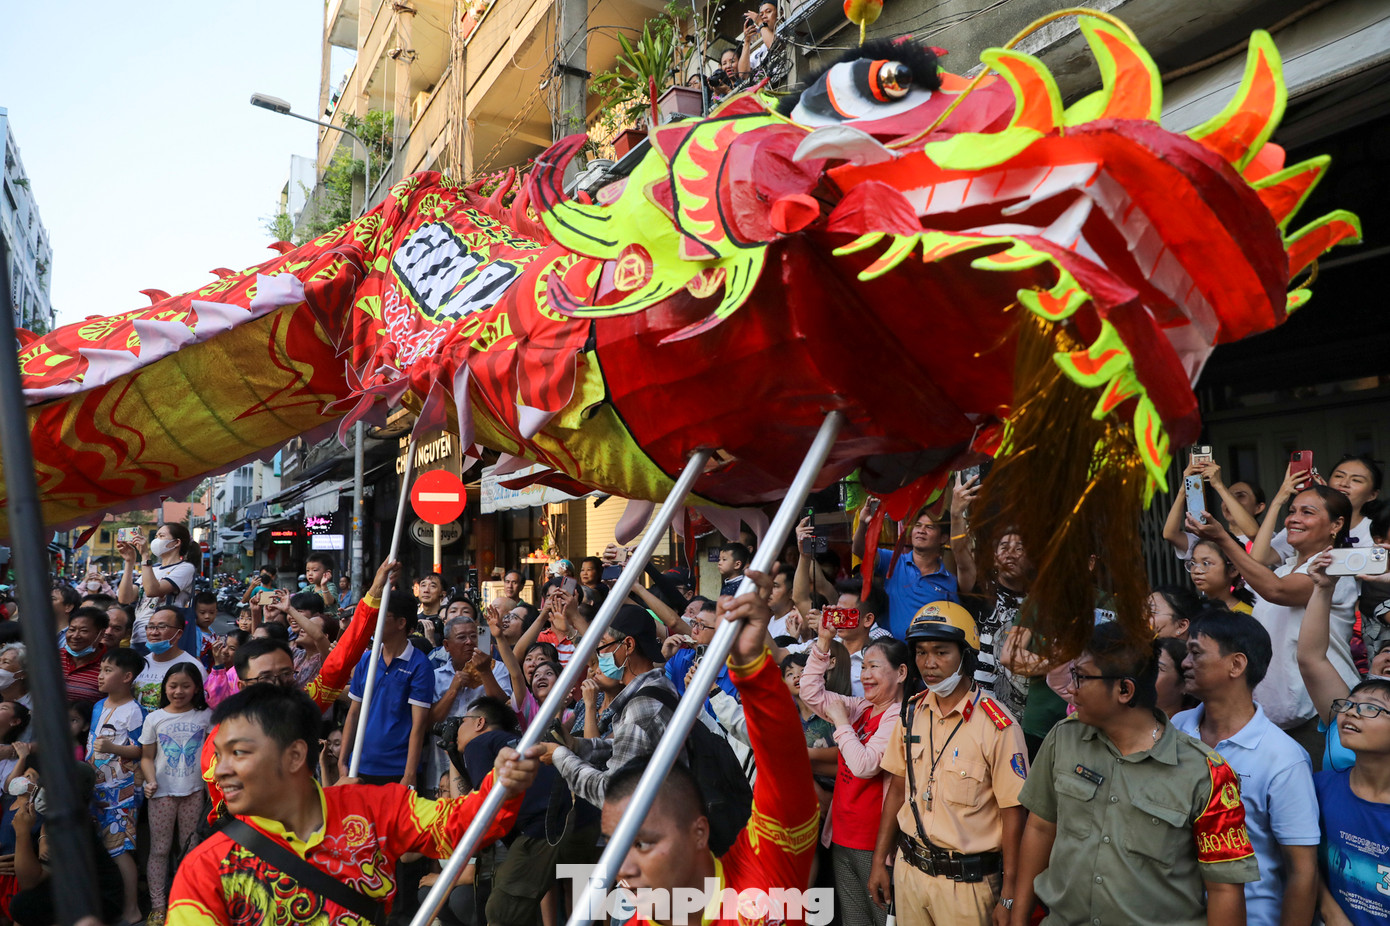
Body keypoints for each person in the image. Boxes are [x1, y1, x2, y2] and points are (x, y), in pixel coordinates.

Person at [168, 684, 542, 925]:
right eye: (219, 755)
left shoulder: (372, 808)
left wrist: (503, 784)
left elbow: (460, 827)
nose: (221, 770)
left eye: (238, 753)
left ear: (296, 755)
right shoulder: (206, 866)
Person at [596, 568, 820, 926]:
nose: (621, 870)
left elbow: (784, 762)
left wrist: (752, 668)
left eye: (643, 844)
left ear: (699, 832)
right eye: (614, 845)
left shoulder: (764, 874)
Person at [1010, 622, 1259, 926]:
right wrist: (1018, 914)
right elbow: (1040, 828)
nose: (1072, 688)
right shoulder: (1064, 738)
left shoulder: (1207, 774)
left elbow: (1224, 889)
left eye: (1081, 677)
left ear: (1124, 690)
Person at [870, 601, 1028, 926]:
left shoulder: (998, 726)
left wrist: (1009, 893)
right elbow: (899, 787)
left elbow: (1014, 814)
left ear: (966, 656)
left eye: (941, 652)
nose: (929, 663)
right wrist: (878, 861)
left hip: (967, 887)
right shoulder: (910, 713)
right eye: (922, 652)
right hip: (908, 871)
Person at [1171, 609, 1319, 926]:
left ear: (1236, 665)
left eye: (1195, 653)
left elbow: (1302, 871)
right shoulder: (1177, 728)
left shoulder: (1283, 758)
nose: (1185, 663)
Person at [1190, 484, 1358, 762]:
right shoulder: (1282, 569)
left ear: (1336, 524)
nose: (1293, 519)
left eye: (1307, 512)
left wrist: (1223, 538)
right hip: (1275, 708)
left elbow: (1277, 590)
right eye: (1292, 511)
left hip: (1318, 707)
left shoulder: (1333, 568)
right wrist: (1279, 497)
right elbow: (1260, 570)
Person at [800, 610, 908, 926]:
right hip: (842, 835)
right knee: (854, 920)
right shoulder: (863, 707)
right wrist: (823, 641)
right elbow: (810, 692)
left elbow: (864, 766)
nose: (865, 676)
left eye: (874, 667)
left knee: (880, 919)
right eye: (864, 667)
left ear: (900, 673)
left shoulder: (898, 717)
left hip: (874, 842)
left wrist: (842, 722)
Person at [546, 605, 675, 806]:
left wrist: (559, 756)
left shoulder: (642, 708)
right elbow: (624, 746)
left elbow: (612, 793)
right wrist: (577, 746)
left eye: (604, 644)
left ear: (628, 645)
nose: (600, 655)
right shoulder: (659, 686)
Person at [1297, 550, 1390, 772]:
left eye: (1372, 708)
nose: (1353, 712)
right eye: (1386, 649)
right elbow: (1310, 658)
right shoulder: (1346, 706)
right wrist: (1323, 588)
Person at [1311, 677, 1390, 926]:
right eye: (1348, 704)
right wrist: (1330, 911)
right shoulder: (1319, 787)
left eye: (1371, 707)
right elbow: (1302, 862)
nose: (1352, 713)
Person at [140, 663, 214, 926]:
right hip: (162, 794)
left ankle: (188, 901)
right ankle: (159, 906)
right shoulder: (154, 718)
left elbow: (212, 756)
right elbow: (146, 757)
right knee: (159, 849)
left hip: (195, 793)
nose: (178, 691)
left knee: (191, 849)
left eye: (185, 686)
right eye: (173, 686)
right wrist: (150, 781)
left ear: (196, 688)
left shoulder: (206, 716)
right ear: (165, 688)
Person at [340, 589, 434, 787]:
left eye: (383, 615)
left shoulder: (419, 665)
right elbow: (354, 713)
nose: (375, 621)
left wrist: (409, 775)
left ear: (402, 623)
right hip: (359, 764)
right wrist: (343, 761)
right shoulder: (367, 660)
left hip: (397, 770)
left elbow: (419, 725)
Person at [88, 647, 148, 926]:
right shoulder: (99, 706)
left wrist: (113, 747)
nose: (100, 675)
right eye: (100, 669)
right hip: (97, 788)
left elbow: (142, 751)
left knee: (121, 849)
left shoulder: (134, 711)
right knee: (106, 846)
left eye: (107, 670)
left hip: (120, 793)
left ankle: (132, 909)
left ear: (127, 677)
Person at [853, 499, 960, 638]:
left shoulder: (949, 581)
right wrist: (862, 523)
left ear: (943, 538)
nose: (921, 531)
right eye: (918, 525)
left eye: (929, 527)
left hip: (925, 654)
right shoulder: (894, 562)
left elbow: (954, 623)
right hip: (891, 654)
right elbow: (859, 550)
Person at [1163, 457, 1265, 561]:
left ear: (1259, 507)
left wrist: (1219, 485)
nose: (1231, 502)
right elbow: (1170, 534)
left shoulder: (1270, 538)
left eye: (1240, 496)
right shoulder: (1210, 540)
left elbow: (1253, 533)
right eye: (1227, 496)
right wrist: (1184, 487)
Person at [117, 523, 197, 650]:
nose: (156, 540)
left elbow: (152, 590)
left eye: (161, 536)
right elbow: (125, 598)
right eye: (155, 536)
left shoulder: (185, 568)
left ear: (176, 542)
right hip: (139, 636)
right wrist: (129, 561)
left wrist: (144, 555)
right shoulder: (152, 568)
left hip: (164, 639)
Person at [133, 606, 208, 712]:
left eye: (162, 627)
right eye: (150, 627)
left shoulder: (193, 667)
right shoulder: (140, 663)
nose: (154, 632)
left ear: (179, 633)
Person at [1185, 539, 1255, 613]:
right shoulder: (1192, 610)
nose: (1196, 571)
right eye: (1193, 563)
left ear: (1233, 570)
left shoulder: (1245, 614)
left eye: (1206, 563)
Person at [60, 606, 108, 703]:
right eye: (72, 630)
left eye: (84, 631)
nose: (75, 636)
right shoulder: (54, 656)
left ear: (101, 634)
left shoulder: (109, 664)